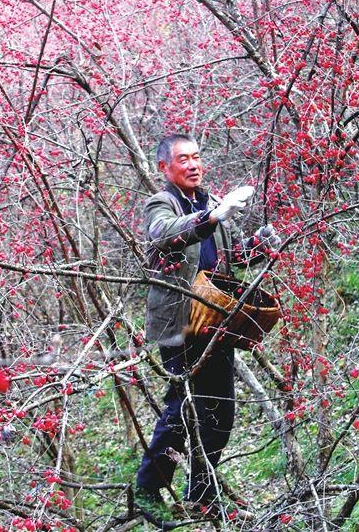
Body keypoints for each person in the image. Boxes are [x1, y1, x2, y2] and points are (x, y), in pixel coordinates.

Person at [133, 134, 280, 524]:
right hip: (180, 322)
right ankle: (147, 489)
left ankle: (202, 494)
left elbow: (230, 261)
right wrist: (213, 216)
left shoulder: (212, 205)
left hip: (217, 320)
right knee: (182, 408)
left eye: (197, 157)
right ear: (165, 167)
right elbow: (167, 233)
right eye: (183, 159)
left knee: (221, 413)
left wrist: (259, 245)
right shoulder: (161, 204)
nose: (193, 165)